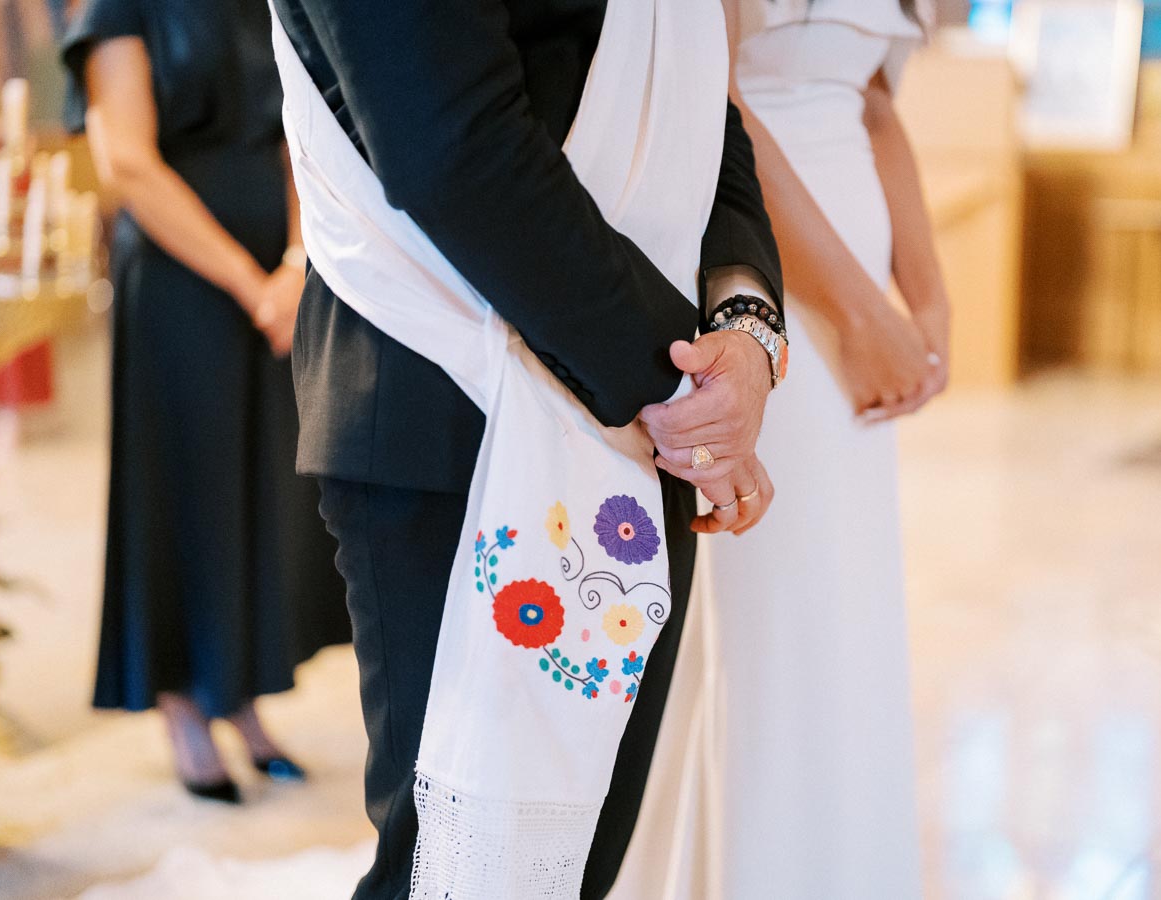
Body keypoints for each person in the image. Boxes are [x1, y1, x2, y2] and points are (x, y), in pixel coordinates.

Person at [269, 1, 787, 897]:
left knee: (575, 863)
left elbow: (699, 101)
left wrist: (745, 325)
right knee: (465, 873)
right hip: (457, 402)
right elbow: (449, 143)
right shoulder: (658, 386)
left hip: (645, 414)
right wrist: (681, 385)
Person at [613, 0, 950, 896]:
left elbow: (876, 107)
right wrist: (860, 311)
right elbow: (718, 109)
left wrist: (929, 303)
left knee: (846, 599)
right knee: (780, 605)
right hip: (761, 279)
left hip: (858, 285)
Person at [62, 0, 349, 804]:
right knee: (187, 486)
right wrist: (247, 282)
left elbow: (304, 125)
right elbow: (128, 162)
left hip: (279, 278)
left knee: (263, 489)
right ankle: (184, 700)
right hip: (182, 281)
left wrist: (296, 259)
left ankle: (243, 692)